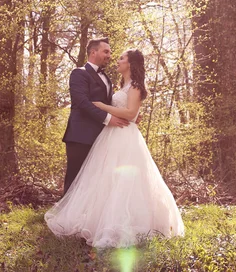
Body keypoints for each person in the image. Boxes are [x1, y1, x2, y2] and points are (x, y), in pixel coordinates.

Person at [45, 48, 185, 248]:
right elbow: (131, 111)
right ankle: (98, 219)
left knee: (126, 181)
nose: (117, 61)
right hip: (110, 135)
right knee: (105, 178)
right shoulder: (122, 85)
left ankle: (128, 223)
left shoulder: (136, 85)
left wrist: (102, 106)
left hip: (125, 137)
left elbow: (130, 113)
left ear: (130, 64)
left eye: (121, 58)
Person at [61, 37, 129, 195]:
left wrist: (128, 115)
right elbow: (83, 102)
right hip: (80, 136)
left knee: (94, 180)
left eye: (110, 52)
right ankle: (65, 216)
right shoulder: (79, 73)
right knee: (75, 177)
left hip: (102, 137)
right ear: (93, 52)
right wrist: (108, 119)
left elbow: (110, 104)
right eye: (106, 51)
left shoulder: (107, 79)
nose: (109, 55)